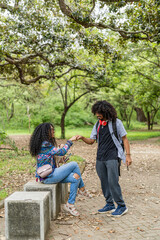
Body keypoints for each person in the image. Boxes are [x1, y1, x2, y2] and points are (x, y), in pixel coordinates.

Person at [77, 100, 132, 217]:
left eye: (99, 113)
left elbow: (125, 139)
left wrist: (128, 155)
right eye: (96, 113)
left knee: (113, 181)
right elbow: (92, 141)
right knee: (104, 182)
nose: (97, 115)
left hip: (113, 156)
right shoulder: (97, 124)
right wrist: (81, 137)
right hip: (100, 157)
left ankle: (122, 206)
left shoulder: (116, 123)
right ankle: (109, 204)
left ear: (106, 112)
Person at [29, 122, 91, 217]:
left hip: (51, 174)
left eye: (53, 129)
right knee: (74, 164)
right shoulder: (44, 144)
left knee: (76, 178)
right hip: (48, 177)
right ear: (46, 132)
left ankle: (70, 204)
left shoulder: (45, 144)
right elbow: (62, 152)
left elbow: (53, 157)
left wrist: (61, 159)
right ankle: (82, 189)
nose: (53, 131)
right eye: (51, 130)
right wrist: (70, 141)